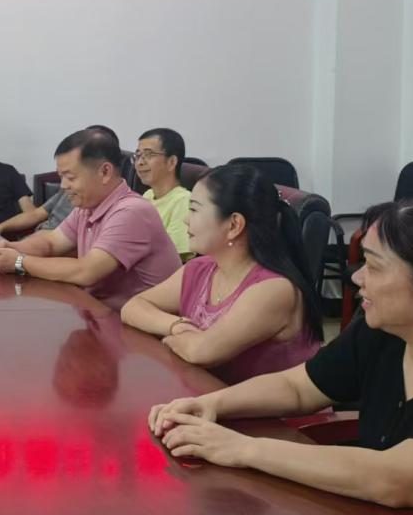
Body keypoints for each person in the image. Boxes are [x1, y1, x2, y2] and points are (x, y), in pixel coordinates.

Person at [149, 198, 413, 515]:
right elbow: (298, 386)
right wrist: (212, 403)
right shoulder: (382, 332)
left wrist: (242, 449)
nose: (357, 278)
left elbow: (398, 480)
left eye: (374, 267)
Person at [121, 163, 323, 383]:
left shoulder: (274, 289)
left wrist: (170, 338)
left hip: (263, 406)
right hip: (208, 395)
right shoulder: (199, 269)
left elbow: (201, 352)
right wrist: (177, 327)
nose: (186, 219)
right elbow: (132, 307)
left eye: (194, 210)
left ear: (234, 224)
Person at [0, 128, 180, 309]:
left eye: (70, 177)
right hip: (100, 311)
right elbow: (51, 242)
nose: (63, 185)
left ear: (105, 172)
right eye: (61, 177)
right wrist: (12, 248)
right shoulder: (87, 206)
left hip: (140, 326)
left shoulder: (132, 212)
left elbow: (86, 271)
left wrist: (19, 262)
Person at [0, 125, 121, 238]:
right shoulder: (72, 192)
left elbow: (72, 247)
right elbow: (37, 214)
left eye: (70, 177)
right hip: (40, 241)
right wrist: (1, 228)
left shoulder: (115, 209)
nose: (63, 185)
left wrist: (19, 255)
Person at [133, 127, 193, 260]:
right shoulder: (148, 195)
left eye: (148, 155)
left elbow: (175, 257)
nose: (140, 162)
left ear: (171, 162)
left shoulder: (184, 201)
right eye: (138, 155)